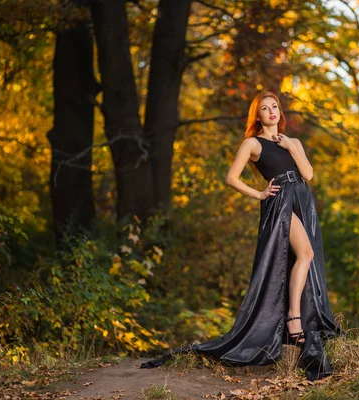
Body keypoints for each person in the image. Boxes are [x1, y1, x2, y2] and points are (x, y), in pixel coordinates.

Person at [140, 90, 343, 381]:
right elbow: (230, 177)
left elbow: (308, 174)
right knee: (306, 254)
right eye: (265, 108)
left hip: (302, 197)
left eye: (275, 107)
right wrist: (260, 193)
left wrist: (292, 147)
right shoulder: (252, 144)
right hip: (281, 201)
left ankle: (296, 318)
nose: (271, 111)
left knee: (305, 258)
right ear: (257, 115)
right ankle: (293, 320)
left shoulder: (293, 141)